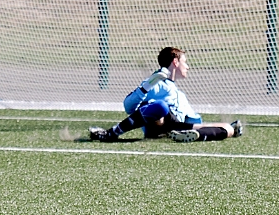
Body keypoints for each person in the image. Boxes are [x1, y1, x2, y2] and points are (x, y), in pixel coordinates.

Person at [89, 47, 244, 143]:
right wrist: (147, 85)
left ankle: (185, 136)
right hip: (158, 124)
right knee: (161, 106)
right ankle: (110, 134)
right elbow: (128, 106)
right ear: (175, 62)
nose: (188, 66)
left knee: (227, 128)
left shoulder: (178, 93)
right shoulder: (158, 84)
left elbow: (194, 119)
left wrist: (197, 125)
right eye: (185, 62)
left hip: (176, 126)